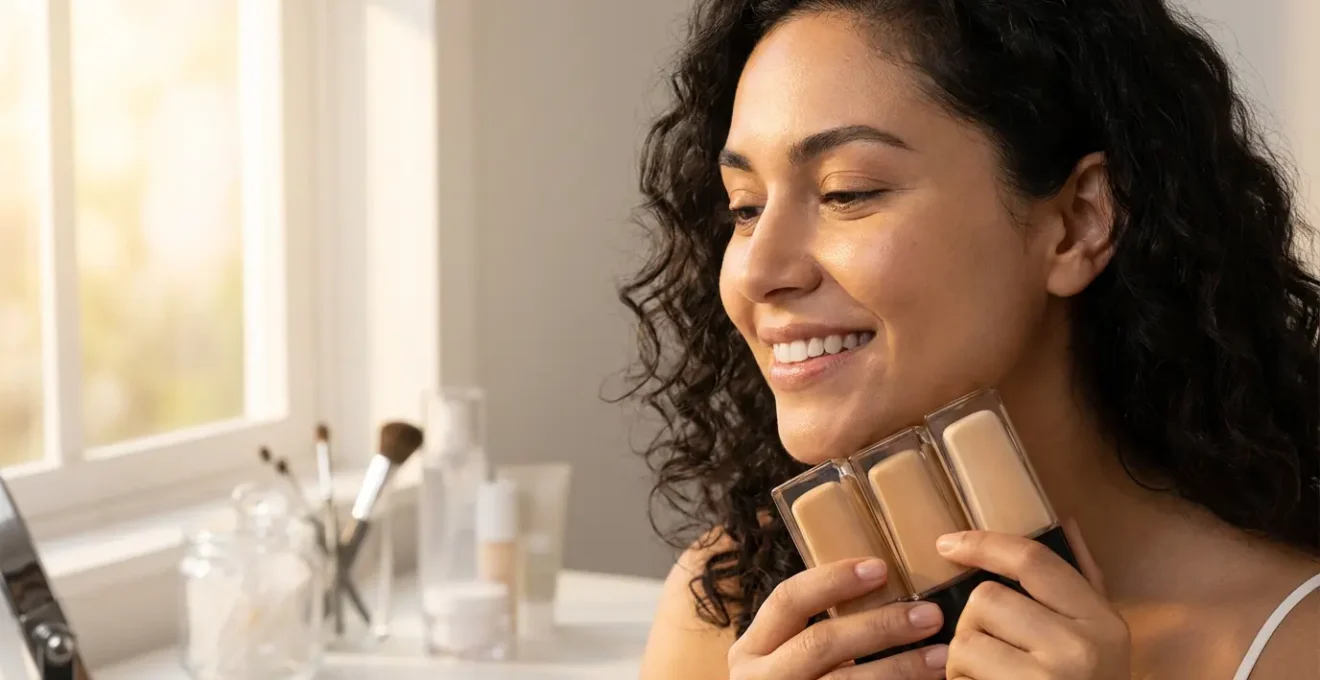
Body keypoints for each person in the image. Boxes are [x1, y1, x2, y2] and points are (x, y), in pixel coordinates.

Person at [620, 1, 1320, 678]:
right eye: (745, 208)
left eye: (847, 192)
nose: (760, 271)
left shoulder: (1293, 641)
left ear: (1078, 221)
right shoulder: (730, 606)